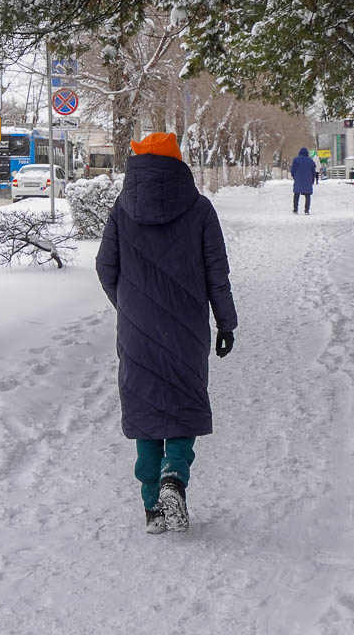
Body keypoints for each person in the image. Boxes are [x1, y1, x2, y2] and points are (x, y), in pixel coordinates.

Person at [95, 132, 237, 534]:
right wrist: (226, 322)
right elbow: (217, 275)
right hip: (187, 327)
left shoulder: (122, 209)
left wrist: (128, 306)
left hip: (137, 329)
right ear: (178, 162)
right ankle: (174, 477)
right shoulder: (200, 208)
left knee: (145, 410)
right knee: (180, 402)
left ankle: (152, 510)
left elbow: (105, 268)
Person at [290, 146, 318, 214]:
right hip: (307, 179)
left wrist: (294, 177)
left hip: (298, 179)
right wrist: (312, 178)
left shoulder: (296, 160)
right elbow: (313, 170)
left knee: (296, 194)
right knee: (307, 195)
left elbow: (292, 170)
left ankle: (295, 209)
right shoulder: (310, 160)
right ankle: (306, 210)